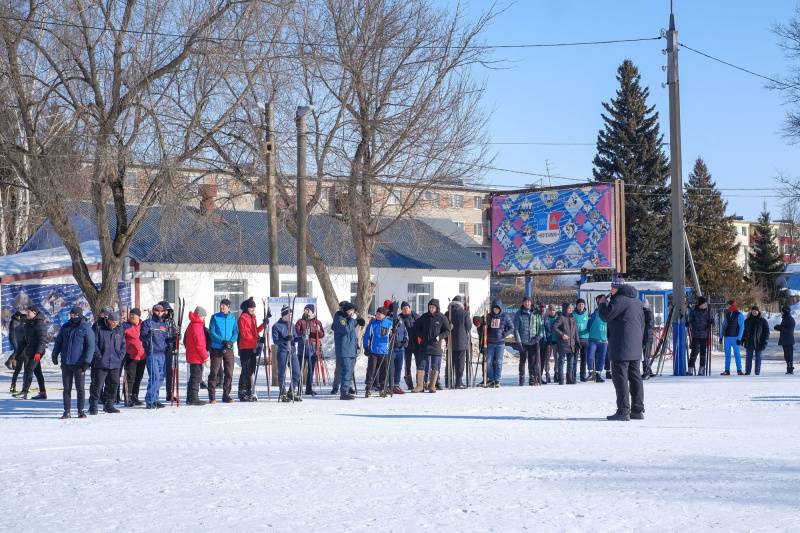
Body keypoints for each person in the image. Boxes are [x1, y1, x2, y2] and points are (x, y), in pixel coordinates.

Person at [597, 277, 645, 421]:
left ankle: (623, 411)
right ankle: (637, 410)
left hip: (621, 346)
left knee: (620, 378)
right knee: (635, 377)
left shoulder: (619, 300)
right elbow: (642, 323)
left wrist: (602, 305)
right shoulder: (637, 301)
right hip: (635, 346)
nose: (611, 290)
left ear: (616, 288)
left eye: (612, 287)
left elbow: (605, 316)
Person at [51, 306, 95, 418]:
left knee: (80, 388)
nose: (73, 317)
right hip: (66, 363)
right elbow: (58, 342)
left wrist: (87, 361)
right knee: (67, 388)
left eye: (75, 315)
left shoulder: (86, 328)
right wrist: (55, 354)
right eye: (71, 315)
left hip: (79, 364)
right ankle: (67, 411)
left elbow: (90, 346)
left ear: (80, 315)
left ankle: (81, 410)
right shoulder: (65, 327)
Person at [89, 311, 125, 415]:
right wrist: (99, 356)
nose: (114, 324)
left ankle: (109, 405)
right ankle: (93, 406)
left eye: (116, 322)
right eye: (112, 321)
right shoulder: (99, 327)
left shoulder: (119, 329)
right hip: (101, 362)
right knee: (97, 384)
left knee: (114, 384)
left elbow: (123, 343)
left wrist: (120, 356)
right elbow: (94, 343)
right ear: (108, 320)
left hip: (115, 361)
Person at [412, 299, 451, 392]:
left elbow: (447, 330)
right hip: (424, 345)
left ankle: (432, 386)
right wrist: (420, 335)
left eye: (432, 307)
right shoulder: (424, 317)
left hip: (436, 345)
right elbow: (417, 327)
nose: (431, 309)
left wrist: (440, 337)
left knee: (435, 365)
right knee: (421, 365)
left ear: (437, 307)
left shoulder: (442, 318)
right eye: (430, 307)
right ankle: (420, 386)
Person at [12, 305, 48, 400]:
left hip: (37, 351)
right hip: (30, 350)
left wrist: (38, 352)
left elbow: (42, 340)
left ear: (34, 313)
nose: (27, 313)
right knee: (38, 372)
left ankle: (24, 392)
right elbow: (24, 341)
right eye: (27, 311)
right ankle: (43, 393)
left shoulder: (39, 324)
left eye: (29, 312)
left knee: (28, 370)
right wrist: (17, 354)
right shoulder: (28, 324)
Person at [208, 298, 239, 403]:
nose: (221, 307)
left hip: (229, 348)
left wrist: (231, 342)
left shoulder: (233, 318)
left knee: (229, 372)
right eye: (220, 305)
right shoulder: (215, 317)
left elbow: (236, 332)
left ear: (228, 307)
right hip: (217, 347)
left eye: (223, 305)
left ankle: (226, 394)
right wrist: (223, 341)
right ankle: (212, 394)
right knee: (214, 371)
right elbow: (211, 332)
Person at [141, 303, 170, 409]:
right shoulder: (147, 323)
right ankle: (150, 400)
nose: (159, 313)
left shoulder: (163, 325)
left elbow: (165, 339)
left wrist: (172, 340)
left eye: (161, 311)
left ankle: (155, 398)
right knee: (155, 377)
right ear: (153, 312)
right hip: (152, 353)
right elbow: (142, 338)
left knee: (161, 377)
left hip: (162, 353)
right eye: (157, 311)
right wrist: (147, 335)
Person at [332, 301, 362, 400]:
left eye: (353, 311)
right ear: (346, 310)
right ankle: (344, 391)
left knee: (349, 371)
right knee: (345, 370)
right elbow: (346, 330)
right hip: (344, 349)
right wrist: (353, 320)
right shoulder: (340, 318)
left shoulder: (349, 319)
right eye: (351, 311)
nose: (352, 313)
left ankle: (346, 389)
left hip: (351, 349)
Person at [295, 303, 325, 396]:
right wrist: (303, 333)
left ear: (312, 311)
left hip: (313, 349)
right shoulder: (300, 321)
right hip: (302, 348)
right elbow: (296, 332)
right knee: (300, 369)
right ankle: (299, 388)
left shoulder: (317, 322)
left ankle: (309, 388)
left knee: (310, 370)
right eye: (305, 309)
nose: (306, 311)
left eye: (308, 309)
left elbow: (321, 335)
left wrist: (318, 330)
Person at [237, 297, 264, 401]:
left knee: (251, 370)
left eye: (254, 307)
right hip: (245, 347)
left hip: (252, 346)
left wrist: (263, 324)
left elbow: (254, 331)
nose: (253, 309)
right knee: (246, 370)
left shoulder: (253, 317)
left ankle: (249, 390)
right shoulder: (243, 318)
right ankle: (242, 391)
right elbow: (244, 334)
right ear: (246, 308)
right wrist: (256, 340)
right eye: (251, 307)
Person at [273, 305, 301, 402]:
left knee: (297, 372)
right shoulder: (276, 326)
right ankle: (283, 393)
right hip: (283, 352)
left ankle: (291, 392)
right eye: (289, 314)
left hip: (292, 351)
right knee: (282, 373)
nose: (290, 316)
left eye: (292, 314)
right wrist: (284, 339)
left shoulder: (291, 325)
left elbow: (295, 338)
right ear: (284, 315)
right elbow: (275, 341)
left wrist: (302, 338)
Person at [363, 307, 393, 397]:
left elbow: (394, 336)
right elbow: (366, 336)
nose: (377, 315)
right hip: (374, 351)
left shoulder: (389, 324)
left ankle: (382, 387)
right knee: (371, 370)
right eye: (377, 313)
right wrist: (366, 348)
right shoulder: (372, 324)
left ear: (384, 315)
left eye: (379, 314)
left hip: (385, 351)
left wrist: (395, 332)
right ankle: (368, 388)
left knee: (383, 371)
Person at [484, 299, 513, 388]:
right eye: (493, 309)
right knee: (489, 361)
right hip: (490, 343)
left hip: (500, 343)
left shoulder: (505, 316)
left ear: (500, 308)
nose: (495, 310)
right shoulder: (489, 316)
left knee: (499, 361)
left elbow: (511, 327)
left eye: (497, 309)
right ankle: (491, 379)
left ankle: (497, 379)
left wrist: (504, 334)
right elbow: (484, 326)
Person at [513, 297, 542, 386]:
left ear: (531, 303)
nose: (527, 303)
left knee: (532, 361)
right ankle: (521, 377)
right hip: (523, 342)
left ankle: (532, 377)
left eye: (529, 302)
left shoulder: (536, 313)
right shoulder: (519, 314)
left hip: (533, 341)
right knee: (522, 361)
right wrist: (518, 341)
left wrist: (538, 337)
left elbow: (541, 327)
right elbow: (516, 329)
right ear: (523, 303)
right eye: (525, 302)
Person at [445, 296, 472, 389]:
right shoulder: (464, 313)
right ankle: (458, 382)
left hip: (450, 341)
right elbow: (468, 326)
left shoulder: (447, 313)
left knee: (450, 363)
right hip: (461, 341)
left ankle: (448, 381)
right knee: (460, 363)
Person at [185, 306, 209, 405]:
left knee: (194, 377)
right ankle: (193, 398)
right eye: (204, 316)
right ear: (200, 316)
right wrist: (206, 357)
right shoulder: (196, 326)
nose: (204, 318)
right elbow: (199, 344)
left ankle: (191, 397)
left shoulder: (193, 324)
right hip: (196, 356)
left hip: (194, 355)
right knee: (196, 377)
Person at [552, 302, 580, 385]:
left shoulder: (573, 318)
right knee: (561, 361)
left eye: (571, 308)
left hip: (571, 344)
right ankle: (561, 379)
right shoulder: (561, 317)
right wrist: (562, 334)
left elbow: (575, 331)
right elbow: (554, 327)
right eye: (569, 308)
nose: (571, 310)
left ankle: (569, 378)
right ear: (565, 309)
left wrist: (577, 341)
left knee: (571, 362)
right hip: (563, 344)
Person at [123, 308, 146, 406]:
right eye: (130, 314)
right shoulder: (125, 326)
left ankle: (135, 397)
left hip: (142, 356)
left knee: (138, 378)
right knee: (130, 379)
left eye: (134, 315)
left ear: (138, 316)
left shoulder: (143, 326)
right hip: (130, 356)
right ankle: (128, 398)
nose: (131, 316)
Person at [687, 297, 714, 375]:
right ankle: (690, 367)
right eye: (704, 304)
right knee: (694, 351)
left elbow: (712, 322)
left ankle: (702, 367)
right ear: (700, 304)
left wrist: (710, 323)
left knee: (703, 352)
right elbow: (690, 321)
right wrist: (689, 324)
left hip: (704, 335)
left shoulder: (708, 312)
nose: (706, 305)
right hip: (695, 334)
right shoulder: (694, 312)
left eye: (706, 304)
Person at [387, 302, 408, 394]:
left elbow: (405, 330)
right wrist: (394, 341)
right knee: (390, 367)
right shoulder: (388, 320)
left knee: (399, 367)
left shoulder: (400, 319)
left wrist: (405, 339)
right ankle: (389, 384)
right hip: (392, 348)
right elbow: (386, 333)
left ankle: (396, 384)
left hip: (400, 348)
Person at [742, 305, 769, 376]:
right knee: (748, 357)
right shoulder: (747, 321)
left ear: (758, 312)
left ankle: (757, 371)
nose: (754, 312)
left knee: (758, 357)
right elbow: (744, 331)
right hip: (749, 341)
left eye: (755, 311)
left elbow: (766, 332)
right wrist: (742, 340)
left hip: (759, 342)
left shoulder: (763, 321)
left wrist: (765, 341)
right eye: (753, 311)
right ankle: (748, 371)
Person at [586, 295, 608, 383]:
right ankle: (591, 372)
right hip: (593, 339)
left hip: (604, 339)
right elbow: (589, 325)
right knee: (590, 356)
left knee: (602, 358)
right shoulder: (594, 314)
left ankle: (598, 373)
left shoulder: (608, 313)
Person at [720, 300, 744, 375]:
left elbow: (742, 327)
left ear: (733, 305)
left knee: (737, 354)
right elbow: (723, 325)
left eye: (728, 305)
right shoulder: (727, 314)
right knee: (727, 354)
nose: (727, 306)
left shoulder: (739, 315)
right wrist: (721, 337)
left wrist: (739, 338)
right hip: (727, 337)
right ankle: (727, 370)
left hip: (735, 337)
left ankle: (739, 370)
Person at [399, 302, 420, 390]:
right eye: (404, 308)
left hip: (417, 344)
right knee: (407, 365)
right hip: (407, 345)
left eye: (407, 308)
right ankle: (409, 383)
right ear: (402, 310)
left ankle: (420, 382)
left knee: (419, 364)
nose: (406, 310)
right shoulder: (400, 318)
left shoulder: (415, 316)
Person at [7, 310, 27, 392]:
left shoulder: (18, 327)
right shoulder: (25, 328)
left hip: (20, 351)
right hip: (25, 351)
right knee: (26, 370)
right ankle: (24, 387)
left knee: (17, 370)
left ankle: (13, 385)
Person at [775, 306, 795, 374]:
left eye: (783, 311)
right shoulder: (785, 318)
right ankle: (788, 368)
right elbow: (783, 327)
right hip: (785, 340)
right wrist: (778, 327)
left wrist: (780, 328)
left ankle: (790, 369)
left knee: (789, 355)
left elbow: (789, 330)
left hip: (789, 340)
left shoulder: (790, 319)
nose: (781, 313)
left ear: (786, 311)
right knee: (786, 355)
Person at [573, 299, 590, 382]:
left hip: (585, 338)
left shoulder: (586, 314)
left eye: (582, 304)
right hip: (576, 339)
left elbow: (589, 325)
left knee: (584, 358)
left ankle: (583, 376)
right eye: (579, 304)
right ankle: (573, 375)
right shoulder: (573, 315)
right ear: (576, 305)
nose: (581, 306)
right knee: (575, 358)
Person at [544, 304, 560, 382]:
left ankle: (556, 373)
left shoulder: (558, 319)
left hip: (556, 341)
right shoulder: (546, 319)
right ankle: (547, 373)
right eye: (550, 310)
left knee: (557, 358)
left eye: (553, 310)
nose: (552, 312)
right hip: (548, 342)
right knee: (547, 359)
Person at [641, 299, 655, 378]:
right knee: (646, 354)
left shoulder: (646, 314)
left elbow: (647, 326)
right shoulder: (649, 313)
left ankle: (646, 372)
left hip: (646, 336)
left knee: (645, 355)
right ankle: (648, 370)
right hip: (648, 336)